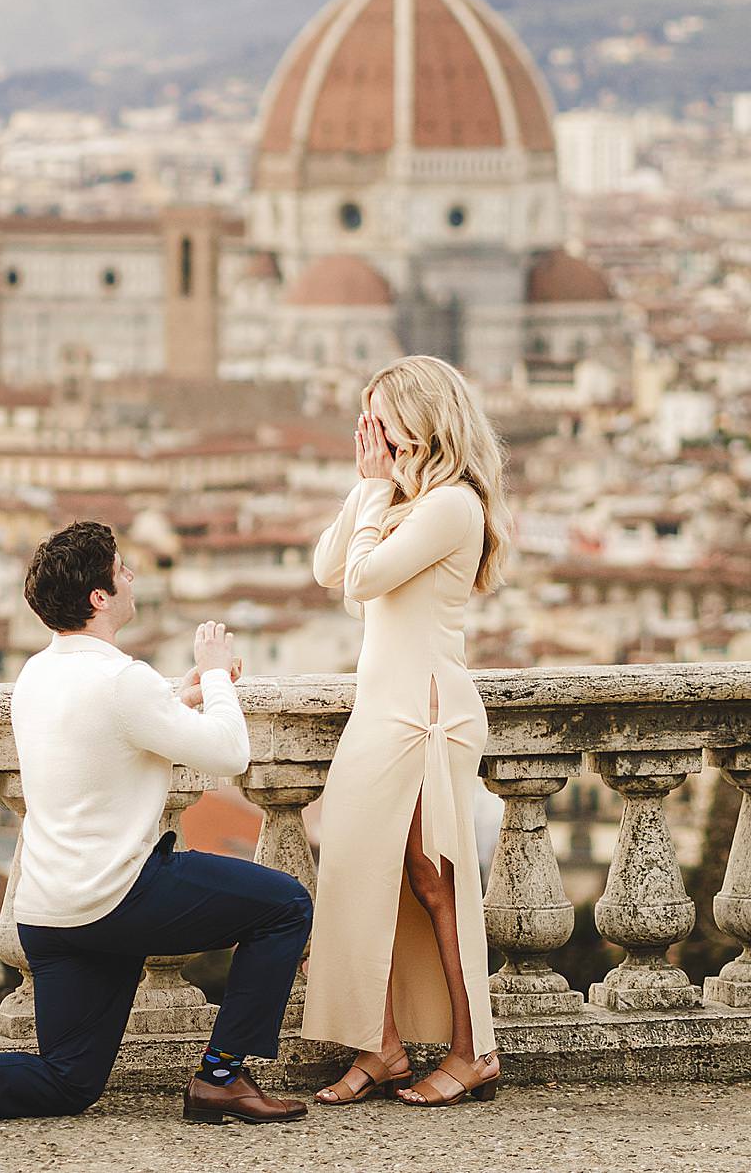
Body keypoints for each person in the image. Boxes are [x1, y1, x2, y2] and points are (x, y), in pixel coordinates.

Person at [0, 520, 313, 1134]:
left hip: (50, 912)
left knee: (70, 1079)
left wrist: (175, 696)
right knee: (285, 904)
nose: (131, 577)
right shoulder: (121, 680)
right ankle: (221, 1077)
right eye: (121, 570)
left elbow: (117, 721)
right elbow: (230, 754)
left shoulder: (37, 676)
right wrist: (211, 672)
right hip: (123, 897)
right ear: (100, 597)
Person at [304, 355, 510, 1108]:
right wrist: (368, 484)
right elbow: (330, 564)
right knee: (359, 878)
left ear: (421, 419)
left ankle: (472, 1050)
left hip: (426, 714)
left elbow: (361, 581)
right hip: (381, 713)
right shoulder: (401, 499)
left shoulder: (451, 506)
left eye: (382, 419)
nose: (374, 434)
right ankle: (380, 1046)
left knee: (434, 881)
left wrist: (375, 490)